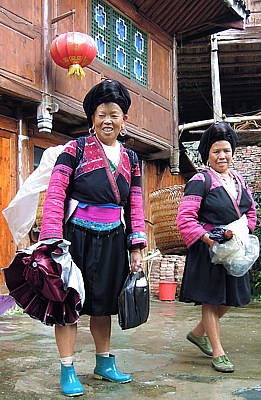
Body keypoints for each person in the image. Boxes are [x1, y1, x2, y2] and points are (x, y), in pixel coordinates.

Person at [39, 79, 147, 396]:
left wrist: (136, 245)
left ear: (124, 120)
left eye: (114, 114)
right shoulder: (74, 149)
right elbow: (56, 194)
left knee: (103, 306)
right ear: (92, 118)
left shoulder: (131, 159)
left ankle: (103, 363)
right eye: (101, 114)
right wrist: (52, 240)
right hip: (75, 239)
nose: (107, 120)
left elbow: (136, 202)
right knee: (68, 304)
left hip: (114, 238)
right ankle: (68, 368)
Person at [176, 121, 257, 373]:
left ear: (232, 152)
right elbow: (185, 217)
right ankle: (218, 352)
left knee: (231, 298)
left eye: (226, 150)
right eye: (216, 151)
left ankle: (199, 333)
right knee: (211, 301)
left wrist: (245, 232)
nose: (222, 156)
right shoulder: (200, 180)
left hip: (233, 247)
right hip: (209, 248)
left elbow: (250, 211)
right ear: (207, 155)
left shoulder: (238, 180)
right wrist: (208, 238)